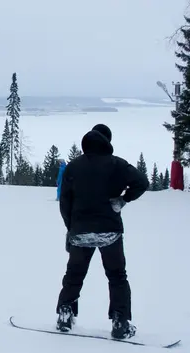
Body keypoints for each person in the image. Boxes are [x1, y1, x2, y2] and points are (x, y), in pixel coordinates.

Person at [55, 124, 149, 339]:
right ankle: (120, 322)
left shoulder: (74, 167)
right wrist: (123, 199)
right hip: (110, 232)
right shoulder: (117, 165)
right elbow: (142, 182)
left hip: (80, 232)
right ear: (107, 141)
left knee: (74, 275)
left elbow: (65, 202)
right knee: (117, 276)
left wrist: (71, 229)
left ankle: (65, 315)